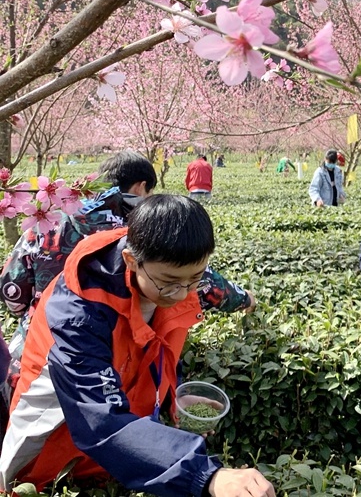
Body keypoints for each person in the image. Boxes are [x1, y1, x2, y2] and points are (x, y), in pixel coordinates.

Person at [0, 195, 275, 497]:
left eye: (195, 279)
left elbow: (154, 349)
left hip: (127, 452)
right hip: (57, 442)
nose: (182, 294)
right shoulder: (77, 312)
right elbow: (99, 418)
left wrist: (174, 397)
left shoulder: (171, 267)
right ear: (132, 260)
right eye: (170, 282)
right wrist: (205, 476)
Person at [0, 151, 255, 364]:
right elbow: (198, 282)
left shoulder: (48, 221)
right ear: (141, 186)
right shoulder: (144, 228)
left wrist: (32, 313)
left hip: (35, 352)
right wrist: (245, 300)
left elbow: (12, 290)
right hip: (112, 359)